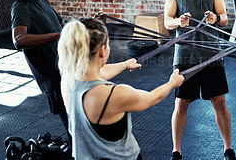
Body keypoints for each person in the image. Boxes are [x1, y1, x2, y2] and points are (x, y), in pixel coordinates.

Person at [57, 18, 184, 159]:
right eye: (107, 44)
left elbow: (101, 71)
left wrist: (125, 64)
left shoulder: (67, 79)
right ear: (101, 51)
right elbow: (152, 98)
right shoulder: (112, 94)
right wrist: (172, 83)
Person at [164, 0, 236, 160]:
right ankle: (176, 151)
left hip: (211, 55)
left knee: (220, 102)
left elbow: (224, 18)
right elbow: (168, 21)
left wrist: (216, 18)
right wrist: (178, 21)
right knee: (181, 103)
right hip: (185, 56)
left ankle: (228, 149)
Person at [8, 0, 70, 140]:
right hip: (53, 76)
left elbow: (63, 26)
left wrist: (87, 25)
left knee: (82, 119)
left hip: (65, 69)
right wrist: (55, 35)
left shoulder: (43, 2)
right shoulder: (20, 8)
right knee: (72, 125)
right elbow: (18, 40)